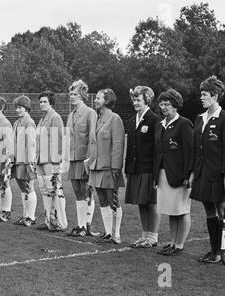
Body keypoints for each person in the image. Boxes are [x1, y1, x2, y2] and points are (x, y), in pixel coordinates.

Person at [189, 76, 225, 263]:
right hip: (202, 172)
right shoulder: (199, 118)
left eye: (205, 94)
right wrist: (193, 173)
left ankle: (221, 252)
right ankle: (214, 251)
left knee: (222, 209)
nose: (201, 98)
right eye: (201, 94)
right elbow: (196, 149)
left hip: (218, 174)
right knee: (209, 210)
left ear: (215, 96)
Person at [153, 89, 194, 256]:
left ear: (175, 105)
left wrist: (188, 176)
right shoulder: (160, 125)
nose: (163, 107)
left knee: (182, 210)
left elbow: (190, 152)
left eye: (167, 104)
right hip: (163, 175)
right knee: (171, 211)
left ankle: (179, 245)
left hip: (180, 176)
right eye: (161, 104)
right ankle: (172, 242)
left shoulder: (184, 124)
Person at [85, 89, 125, 243]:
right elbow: (93, 143)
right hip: (95, 166)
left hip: (109, 167)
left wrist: (116, 166)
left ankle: (116, 233)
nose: (95, 100)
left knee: (112, 198)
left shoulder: (115, 119)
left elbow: (118, 144)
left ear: (107, 101)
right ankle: (108, 232)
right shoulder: (97, 118)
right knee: (102, 199)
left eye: (99, 98)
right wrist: (89, 162)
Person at [125, 86, 161, 248]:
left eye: (138, 100)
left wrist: (156, 173)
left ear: (147, 100)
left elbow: (158, 149)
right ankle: (145, 235)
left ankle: (153, 237)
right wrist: (128, 168)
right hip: (135, 168)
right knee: (141, 202)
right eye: (134, 99)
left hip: (149, 169)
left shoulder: (154, 119)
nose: (135, 103)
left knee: (151, 202)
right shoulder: (132, 120)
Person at [65, 80, 99, 237]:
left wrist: (90, 159)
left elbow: (93, 138)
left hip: (85, 158)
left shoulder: (90, 113)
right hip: (73, 158)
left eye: (75, 94)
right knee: (77, 192)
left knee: (87, 191)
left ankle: (87, 226)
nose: (72, 97)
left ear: (83, 96)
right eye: (71, 94)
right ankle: (80, 226)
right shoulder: (70, 115)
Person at [35, 90, 67, 232]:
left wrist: (56, 161)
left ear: (51, 103)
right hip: (40, 160)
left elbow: (58, 141)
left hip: (50, 160)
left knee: (55, 189)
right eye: (41, 102)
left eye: (45, 102)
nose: (42, 104)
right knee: (44, 190)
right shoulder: (42, 118)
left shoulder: (55, 118)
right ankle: (49, 220)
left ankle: (60, 222)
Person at [10, 95, 37, 227]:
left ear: (26, 108)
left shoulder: (29, 122)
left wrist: (30, 162)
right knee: (22, 188)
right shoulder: (16, 123)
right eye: (16, 107)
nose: (17, 110)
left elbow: (31, 143)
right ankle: (25, 215)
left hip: (26, 161)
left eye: (20, 107)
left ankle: (31, 217)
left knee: (29, 187)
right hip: (17, 160)